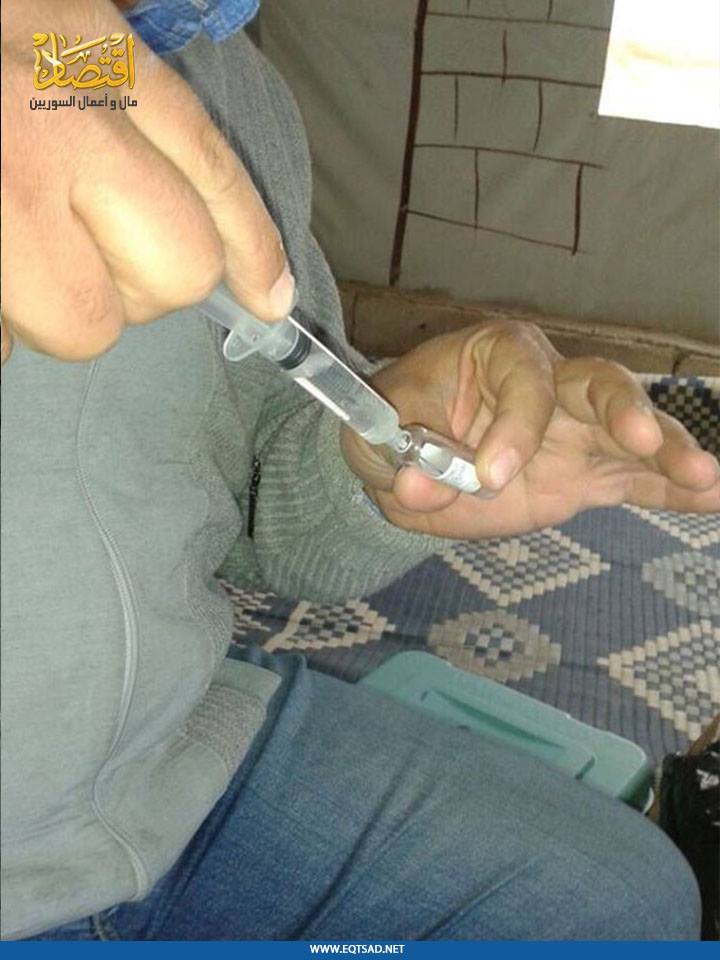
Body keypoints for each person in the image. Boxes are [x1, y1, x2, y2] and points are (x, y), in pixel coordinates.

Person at [2, 0, 718, 942]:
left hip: (168, 757)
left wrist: (373, 460)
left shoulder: (236, 87)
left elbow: (264, 502)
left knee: (625, 904)